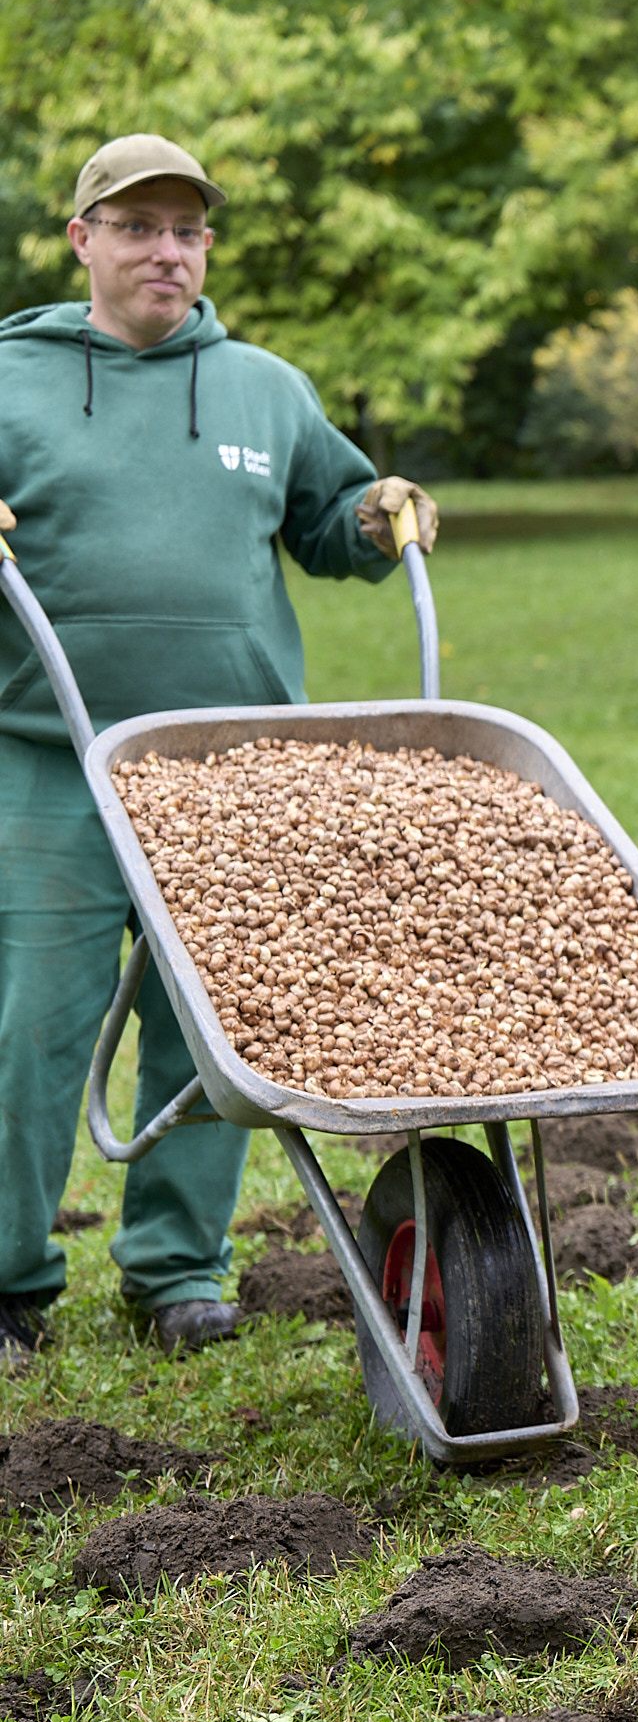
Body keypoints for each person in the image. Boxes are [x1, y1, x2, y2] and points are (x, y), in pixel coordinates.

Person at [0, 134, 439, 1371]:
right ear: (82, 239)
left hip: (232, 772)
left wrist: (379, 511)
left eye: (187, 230)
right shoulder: (10, 378)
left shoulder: (261, 384)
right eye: (137, 226)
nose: (166, 251)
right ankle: (8, 1281)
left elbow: (332, 522)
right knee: (30, 1022)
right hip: (51, 759)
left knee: (210, 1033)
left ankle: (175, 1269)